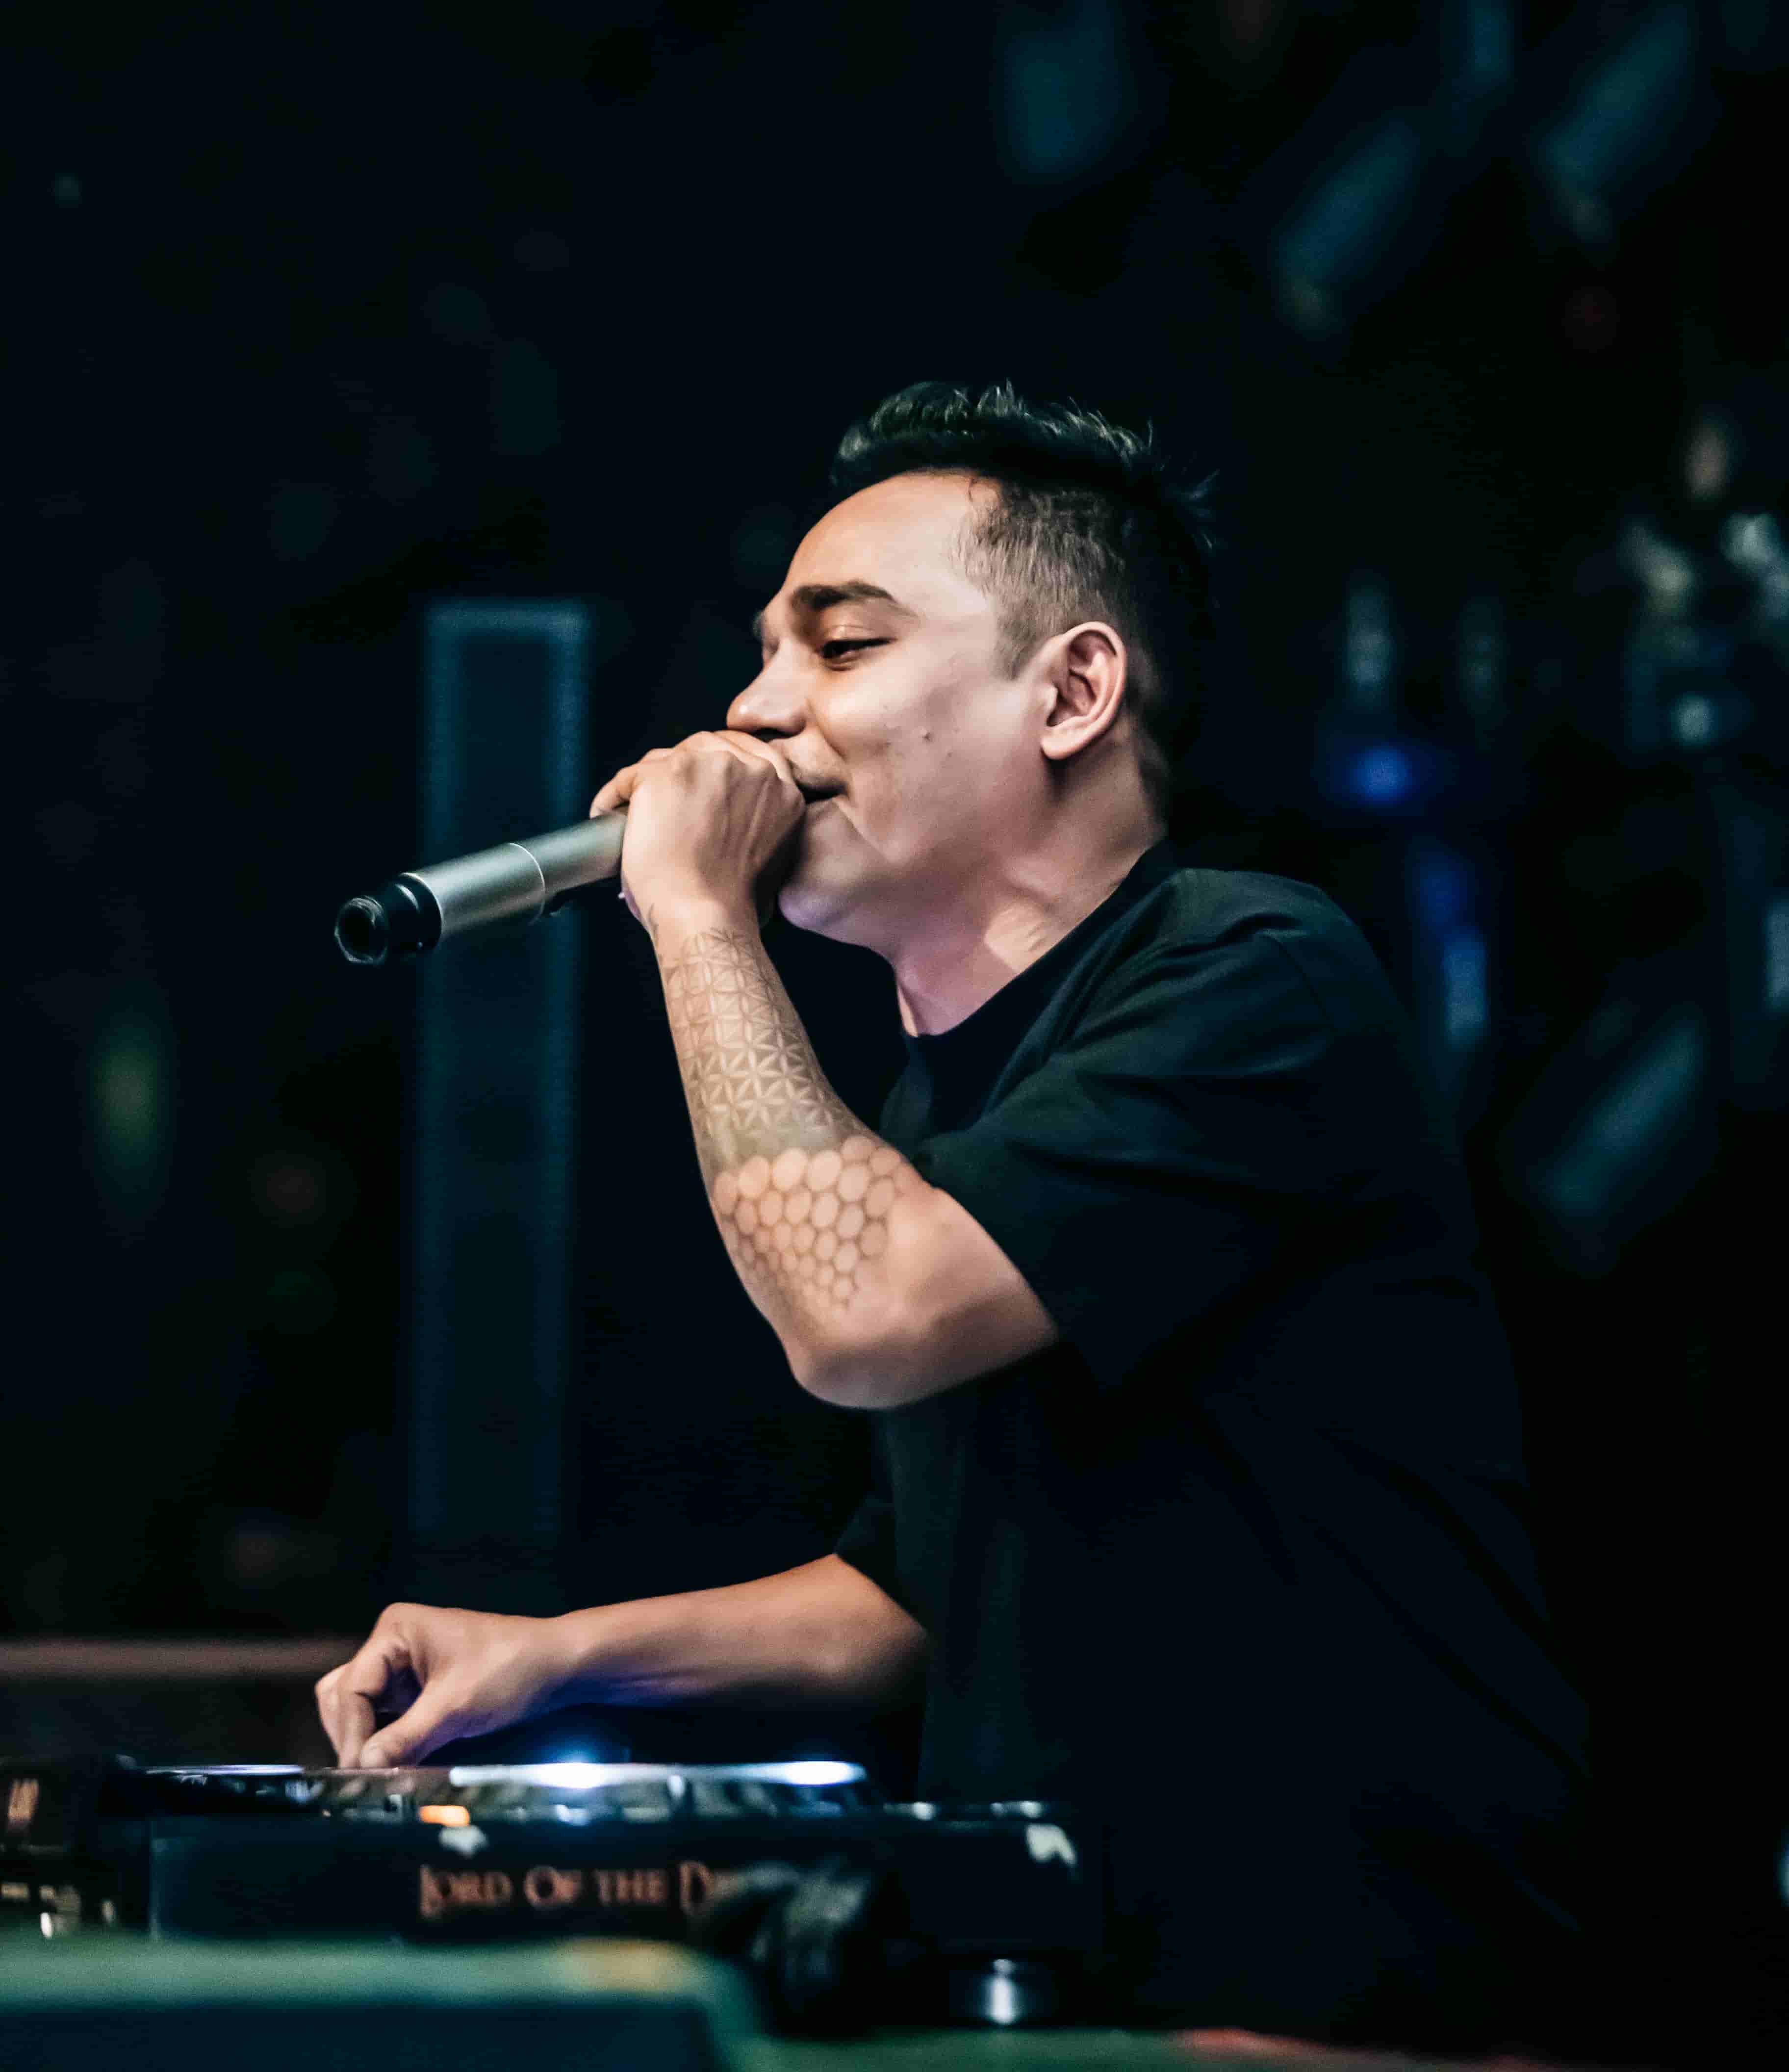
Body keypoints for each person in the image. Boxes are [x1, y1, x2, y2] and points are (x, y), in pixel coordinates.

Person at [317, 381, 1592, 2053]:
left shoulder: (1256, 976)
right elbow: (924, 1594)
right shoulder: (942, 1122)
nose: (756, 711)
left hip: (1338, 2004)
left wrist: (695, 916)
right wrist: (557, 1658)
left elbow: (863, 1317)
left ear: (1072, 692)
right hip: (1084, 1988)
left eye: (841, 647)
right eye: (764, 655)